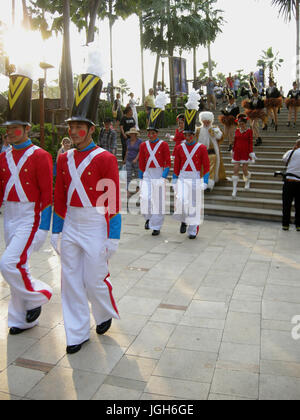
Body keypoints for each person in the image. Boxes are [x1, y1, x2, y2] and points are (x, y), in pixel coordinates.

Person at [51, 71, 121, 354]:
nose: (75, 131)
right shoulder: (64, 158)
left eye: (81, 126)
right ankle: (77, 333)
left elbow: (112, 201)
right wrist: (57, 230)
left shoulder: (105, 158)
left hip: (95, 224)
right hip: (70, 225)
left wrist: (112, 236)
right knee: (69, 281)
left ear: (92, 129)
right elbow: (59, 197)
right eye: (72, 127)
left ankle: (103, 313)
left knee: (94, 279)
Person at [0, 72, 53, 336]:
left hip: (29, 216)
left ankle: (38, 294)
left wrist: (43, 225)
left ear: (27, 129)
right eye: (7, 128)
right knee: (20, 265)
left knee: (8, 264)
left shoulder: (41, 156)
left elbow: (48, 194)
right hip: (8, 215)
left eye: (15, 127)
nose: (9, 132)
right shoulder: (4, 156)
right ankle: (20, 318)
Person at [173, 107, 210, 239]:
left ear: (194, 135)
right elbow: (176, 165)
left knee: (194, 204)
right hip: (182, 176)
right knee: (182, 200)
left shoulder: (201, 148)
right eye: (186, 135)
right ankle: (183, 219)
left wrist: (205, 181)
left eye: (190, 135)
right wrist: (174, 178)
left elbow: (206, 166)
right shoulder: (179, 148)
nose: (188, 138)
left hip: (195, 177)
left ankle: (193, 230)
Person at [139, 104, 171, 236]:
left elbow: (167, 163)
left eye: (153, 133)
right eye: (149, 133)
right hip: (147, 173)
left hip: (159, 174)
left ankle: (156, 225)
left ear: (157, 133)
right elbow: (141, 163)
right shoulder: (143, 145)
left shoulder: (163, 144)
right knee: (145, 198)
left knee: (158, 201)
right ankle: (148, 218)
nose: (150, 135)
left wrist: (163, 177)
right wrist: (141, 179)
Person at [196, 111, 226, 192]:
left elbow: (220, 137)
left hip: (212, 153)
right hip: (201, 153)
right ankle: (203, 183)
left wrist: (214, 132)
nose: (206, 123)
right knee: (202, 168)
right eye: (204, 121)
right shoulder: (198, 130)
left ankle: (209, 185)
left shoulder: (214, 128)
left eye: (207, 121)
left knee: (211, 168)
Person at [231, 113, 256, 198]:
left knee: (245, 170)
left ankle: (247, 181)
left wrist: (251, 152)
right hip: (237, 152)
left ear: (245, 123)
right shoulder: (237, 131)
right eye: (239, 124)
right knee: (236, 169)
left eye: (242, 124)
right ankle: (234, 189)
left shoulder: (249, 131)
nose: (241, 125)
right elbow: (235, 142)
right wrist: (233, 150)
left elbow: (250, 143)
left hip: (245, 152)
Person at [281, 139, 300, 231]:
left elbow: (284, 159)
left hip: (289, 181)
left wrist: (293, 149)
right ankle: (298, 225)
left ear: (296, 145)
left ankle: (285, 224)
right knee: (299, 205)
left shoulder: (291, 152)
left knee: (286, 204)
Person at [123, 127, 142, 195]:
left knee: (137, 175)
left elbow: (140, 151)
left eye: (133, 134)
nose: (132, 135)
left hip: (136, 160)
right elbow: (127, 150)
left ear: (135, 134)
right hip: (128, 159)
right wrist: (124, 159)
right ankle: (128, 190)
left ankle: (138, 188)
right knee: (128, 175)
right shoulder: (128, 141)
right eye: (131, 134)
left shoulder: (139, 141)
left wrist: (136, 159)